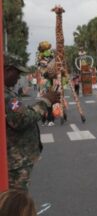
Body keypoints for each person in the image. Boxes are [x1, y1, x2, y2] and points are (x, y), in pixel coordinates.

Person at [4, 54, 60, 191]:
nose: (18, 77)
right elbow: (22, 119)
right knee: (17, 200)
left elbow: (20, 112)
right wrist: (46, 101)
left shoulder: (7, 93)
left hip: (15, 160)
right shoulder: (5, 96)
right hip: (14, 162)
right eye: (16, 73)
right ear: (5, 70)